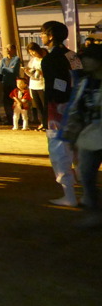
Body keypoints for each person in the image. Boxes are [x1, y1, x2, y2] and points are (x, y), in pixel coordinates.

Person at [60, 43, 102, 228]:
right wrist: (72, 134)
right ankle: (95, 213)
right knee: (85, 175)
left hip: (91, 133)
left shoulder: (85, 82)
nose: (84, 61)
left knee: (86, 174)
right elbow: (76, 110)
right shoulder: (84, 83)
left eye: (89, 57)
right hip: (89, 134)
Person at [40, 21, 75, 207]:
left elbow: (58, 83)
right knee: (77, 152)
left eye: (43, 33)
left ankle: (69, 194)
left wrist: (60, 98)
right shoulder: (72, 55)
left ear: (51, 36)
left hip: (59, 108)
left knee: (60, 151)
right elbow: (78, 77)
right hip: (78, 107)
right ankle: (85, 193)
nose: (41, 36)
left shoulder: (50, 59)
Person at [0, 45, 21, 122]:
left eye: (9, 48)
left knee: (14, 100)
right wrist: (8, 68)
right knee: (6, 101)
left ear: (14, 50)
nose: (7, 50)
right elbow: (0, 71)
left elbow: (13, 71)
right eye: (6, 48)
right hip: (5, 82)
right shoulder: (3, 60)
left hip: (13, 82)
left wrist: (4, 68)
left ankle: (16, 118)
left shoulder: (16, 59)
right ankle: (9, 118)